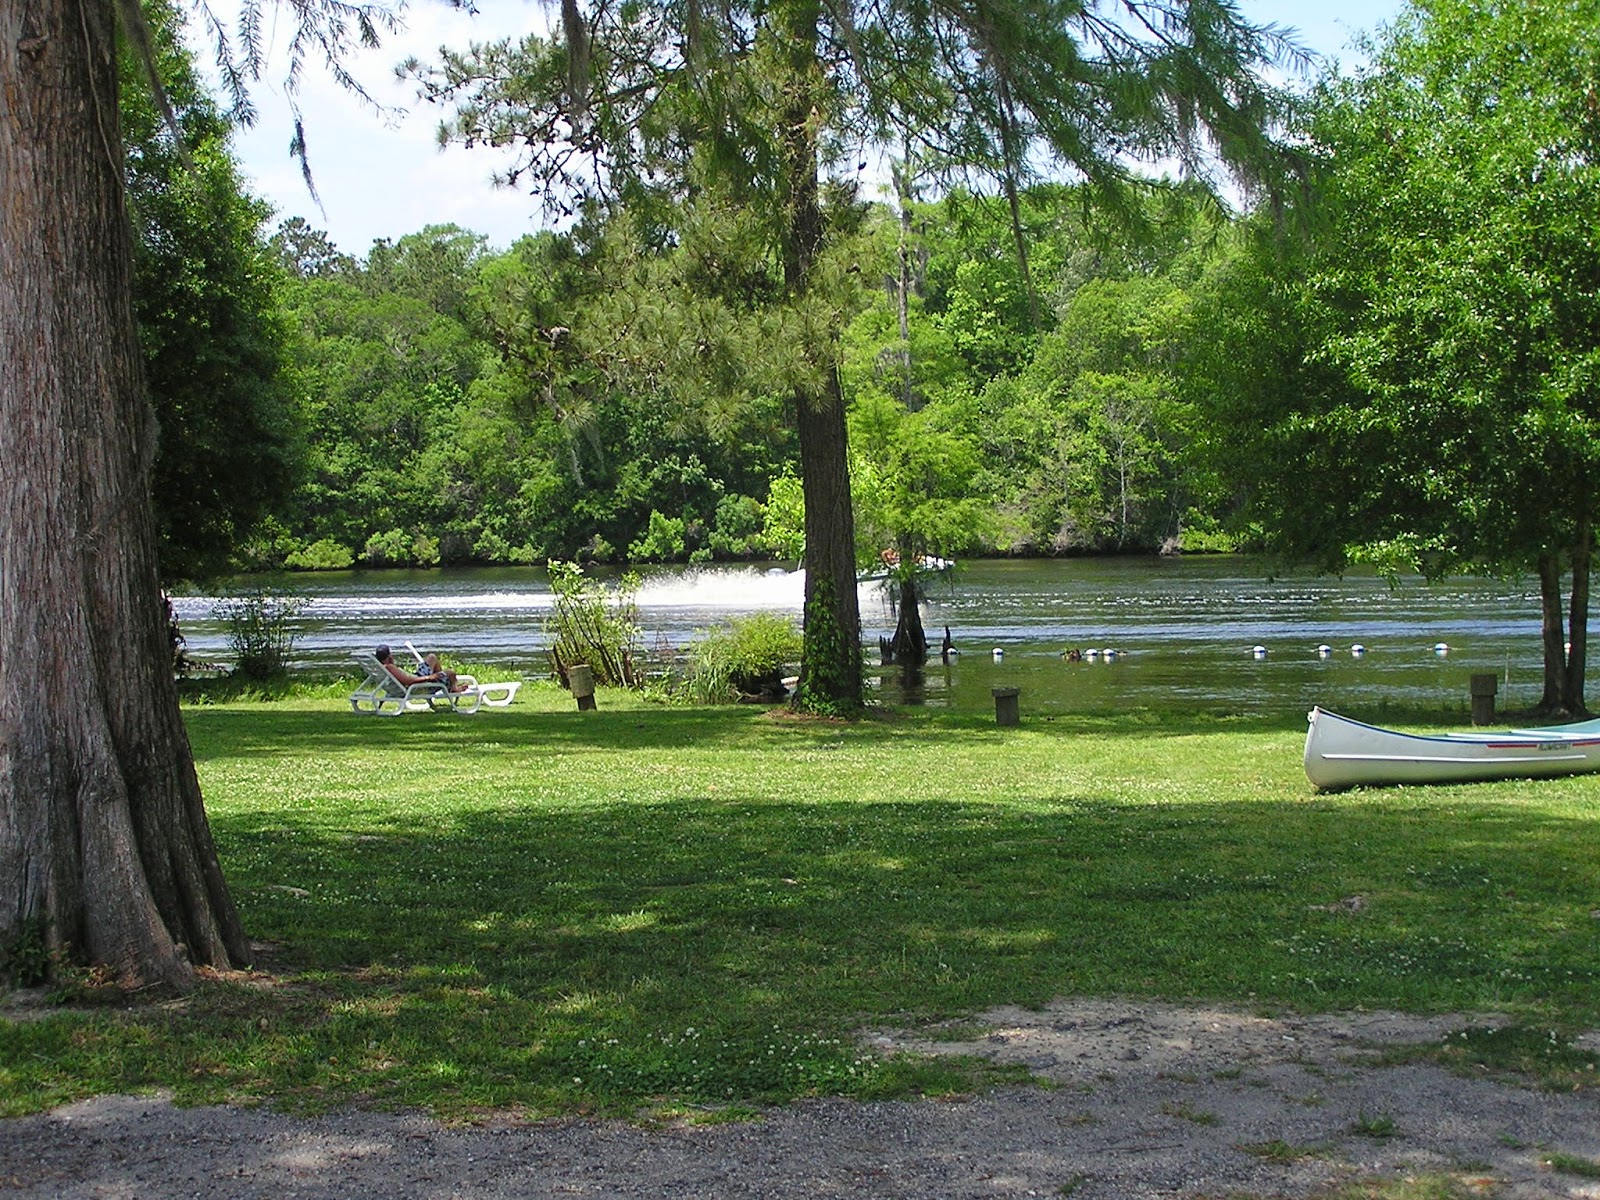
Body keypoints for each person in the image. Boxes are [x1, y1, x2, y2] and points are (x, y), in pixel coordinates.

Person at [375, 644, 465, 692]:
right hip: (418, 685)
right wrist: (429, 677)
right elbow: (408, 681)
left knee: (432, 657)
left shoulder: (381, 668)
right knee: (450, 673)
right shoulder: (390, 667)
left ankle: (443, 683)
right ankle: (451, 687)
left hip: (416, 678)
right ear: (389, 656)